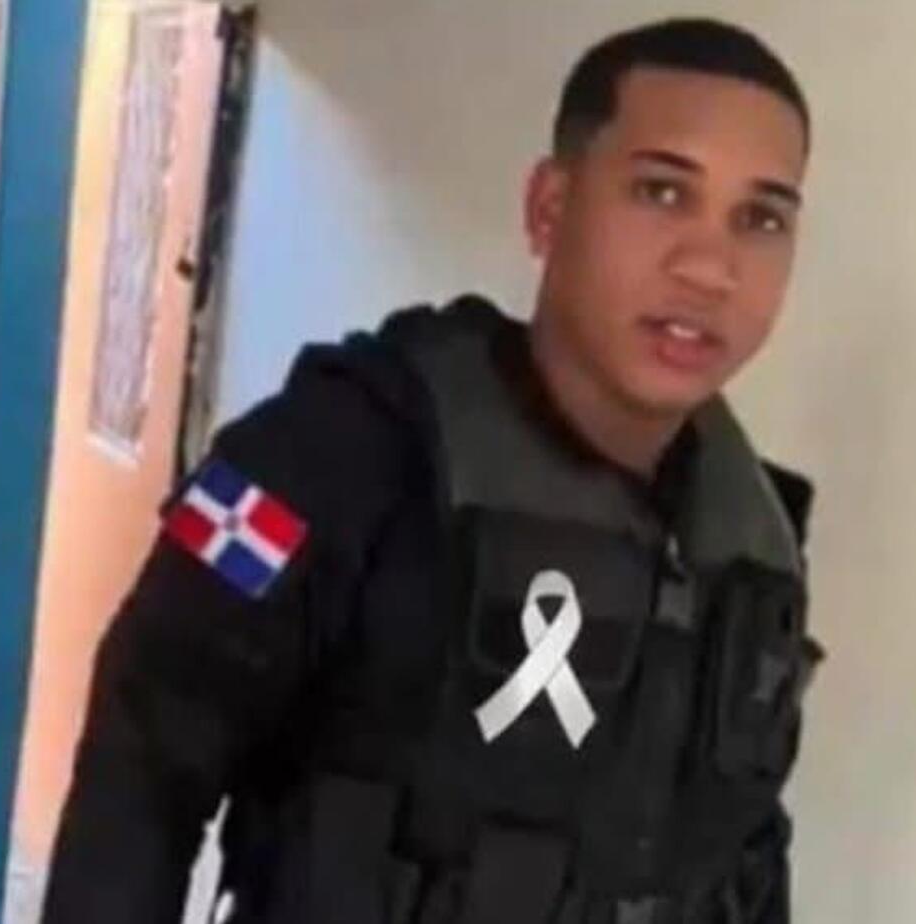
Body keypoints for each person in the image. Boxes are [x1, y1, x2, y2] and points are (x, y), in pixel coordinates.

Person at [45, 17, 824, 924]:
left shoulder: (751, 537)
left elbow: (743, 852)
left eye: (761, 218)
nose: (710, 266)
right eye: (661, 192)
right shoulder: (340, 454)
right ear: (550, 207)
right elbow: (144, 759)